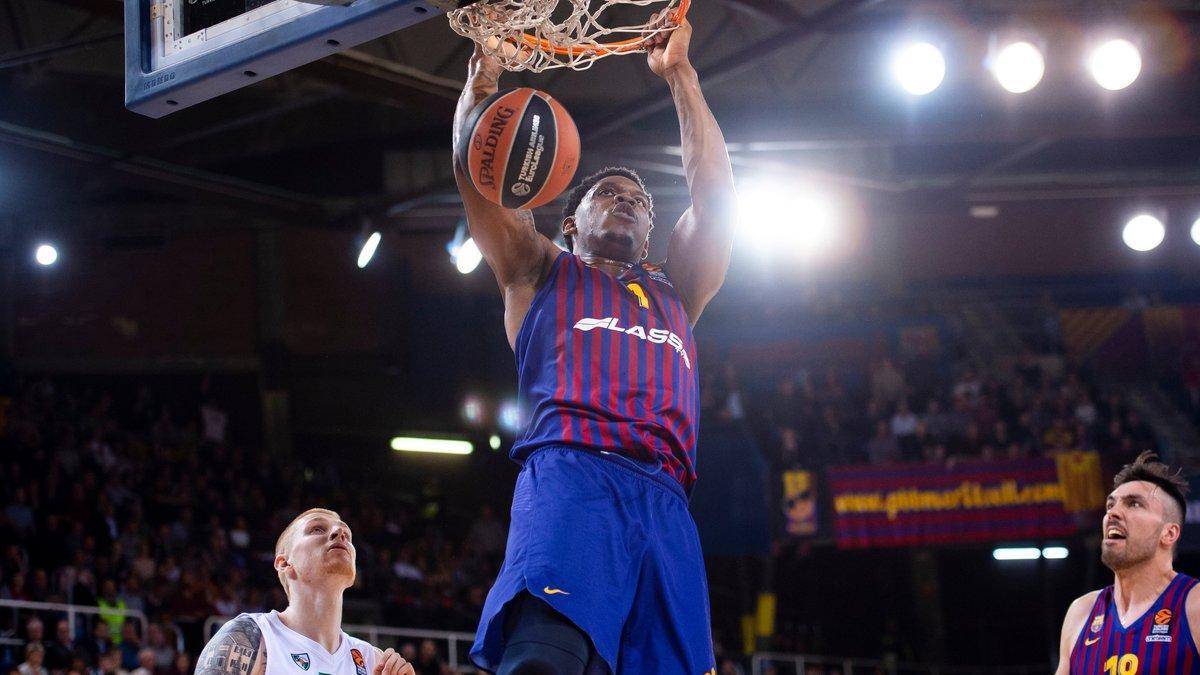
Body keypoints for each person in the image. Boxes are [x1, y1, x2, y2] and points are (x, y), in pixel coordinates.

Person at [452, 11, 736, 675]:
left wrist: (680, 75)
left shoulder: (677, 287)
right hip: (574, 477)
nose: (628, 201)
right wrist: (483, 80)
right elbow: (476, 173)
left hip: (667, 499)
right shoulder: (538, 270)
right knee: (545, 662)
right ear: (570, 222)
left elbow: (717, 198)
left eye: (639, 200)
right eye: (608, 193)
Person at [195, 509, 415, 675]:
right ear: (284, 563)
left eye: (347, 534)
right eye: (317, 529)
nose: (340, 533)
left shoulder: (372, 660)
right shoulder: (252, 636)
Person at [1055, 451, 1200, 673]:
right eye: (1110, 505)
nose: (1112, 513)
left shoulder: (1194, 605)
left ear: (1169, 533)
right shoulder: (1081, 613)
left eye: (1134, 504)